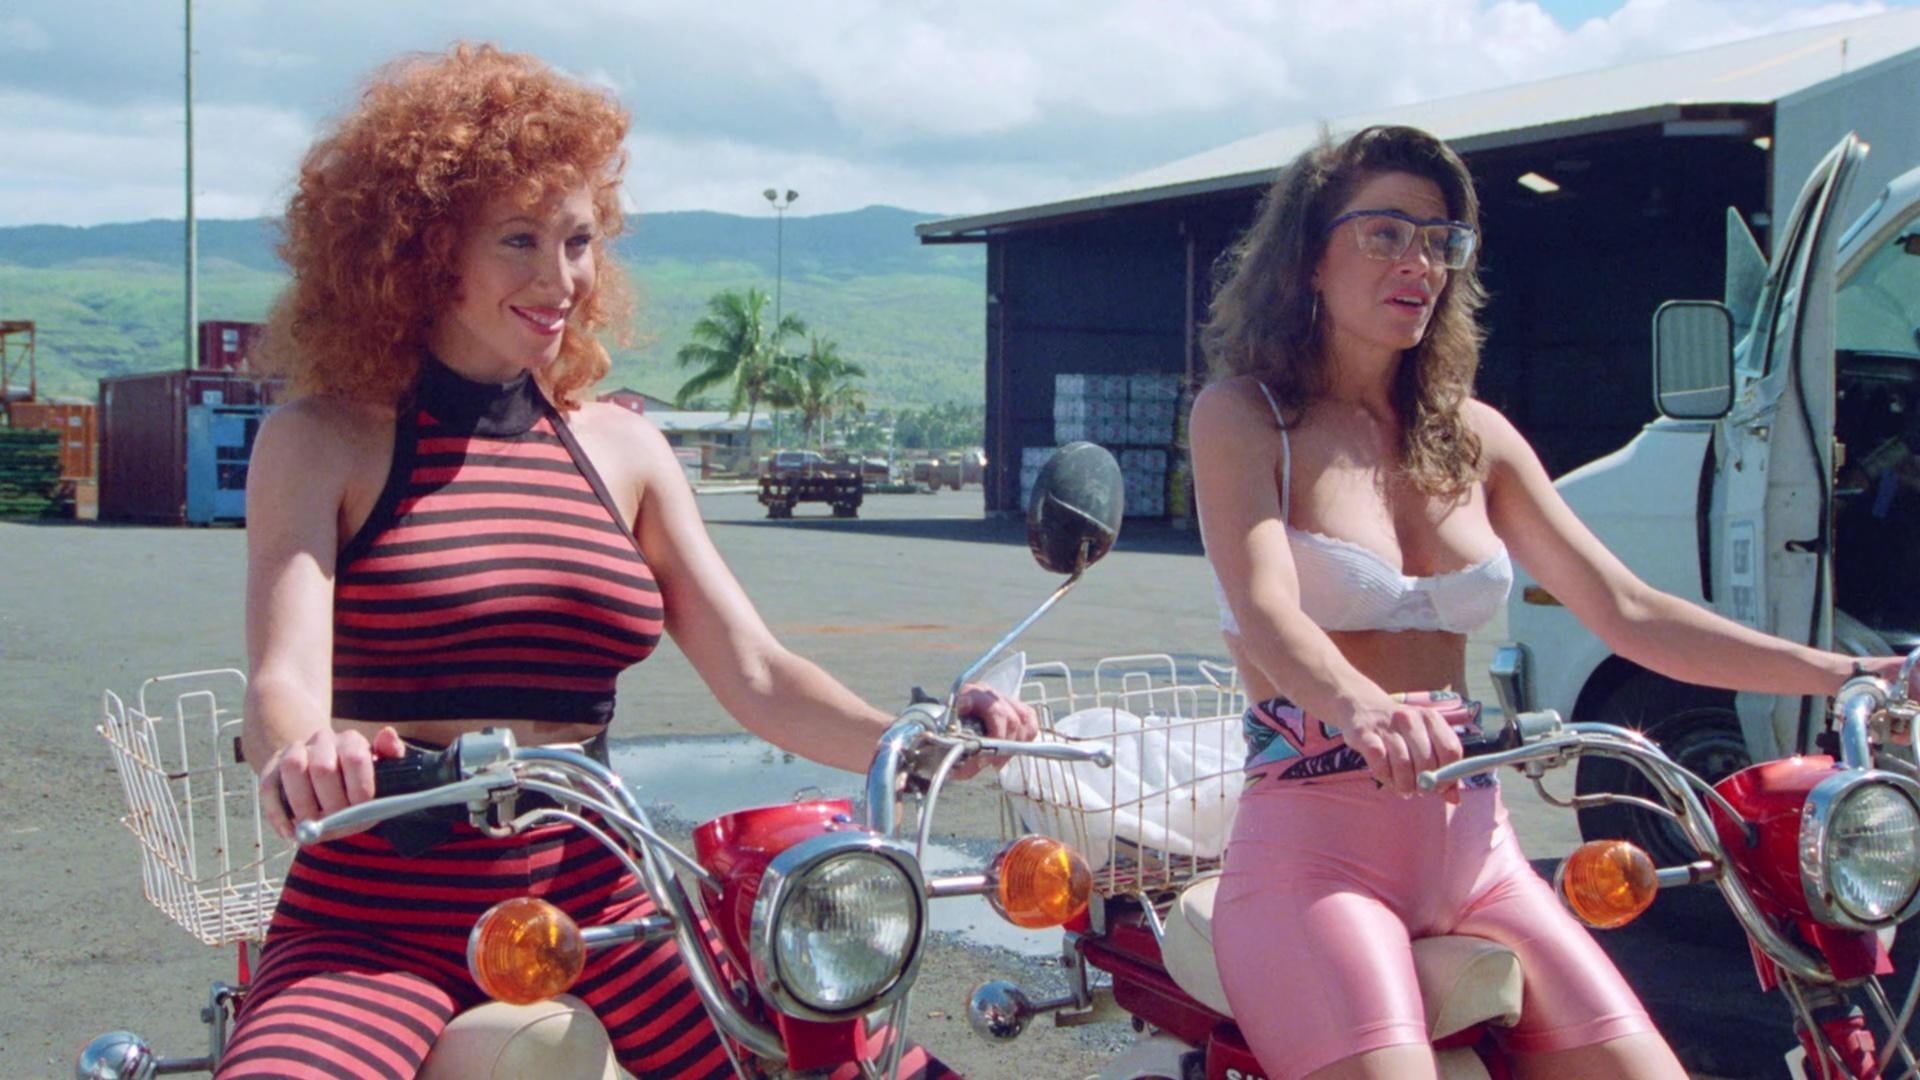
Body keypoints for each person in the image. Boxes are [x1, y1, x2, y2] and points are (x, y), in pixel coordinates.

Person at [224, 44, 1033, 1080]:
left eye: (578, 241)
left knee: (837, 1063)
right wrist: (305, 753)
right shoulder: (324, 440)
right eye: (519, 240)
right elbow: (281, 681)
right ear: (425, 253)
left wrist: (918, 742)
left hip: (598, 903)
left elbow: (757, 672)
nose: (560, 278)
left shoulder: (622, 447)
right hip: (378, 917)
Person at [1189, 124, 1906, 1080]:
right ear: (1309, 256)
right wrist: (1361, 706)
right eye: (1385, 233)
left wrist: (1849, 672)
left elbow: (1626, 609)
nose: (1419, 263)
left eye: (1441, 240)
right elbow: (1268, 609)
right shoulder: (1245, 417)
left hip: (1479, 855)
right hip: (1314, 860)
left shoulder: (1475, 437)